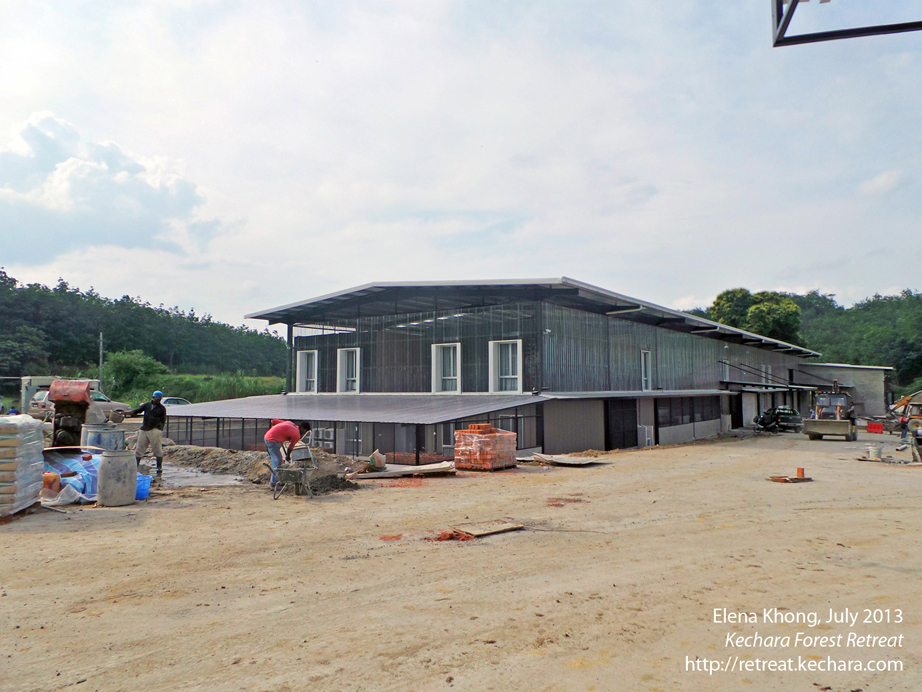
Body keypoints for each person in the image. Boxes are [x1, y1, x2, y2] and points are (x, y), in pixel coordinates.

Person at [124, 391, 167, 475]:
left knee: (157, 448)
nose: (158, 400)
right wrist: (126, 413)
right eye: (157, 399)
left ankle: (159, 467)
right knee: (140, 448)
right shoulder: (147, 405)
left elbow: (163, 419)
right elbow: (137, 411)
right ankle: (135, 466)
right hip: (144, 428)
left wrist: (159, 429)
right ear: (153, 397)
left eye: (159, 399)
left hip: (155, 429)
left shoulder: (161, 408)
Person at [264, 419, 310, 487]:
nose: (304, 433)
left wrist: (277, 431)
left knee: (275, 460)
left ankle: (276, 480)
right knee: (277, 461)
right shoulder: (296, 434)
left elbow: (273, 421)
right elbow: (290, 447)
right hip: (271, 440)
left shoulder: (290, 423)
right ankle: (274, 483)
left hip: (267, 436)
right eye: (305, 431)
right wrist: (288, 456)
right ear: (302, 428)